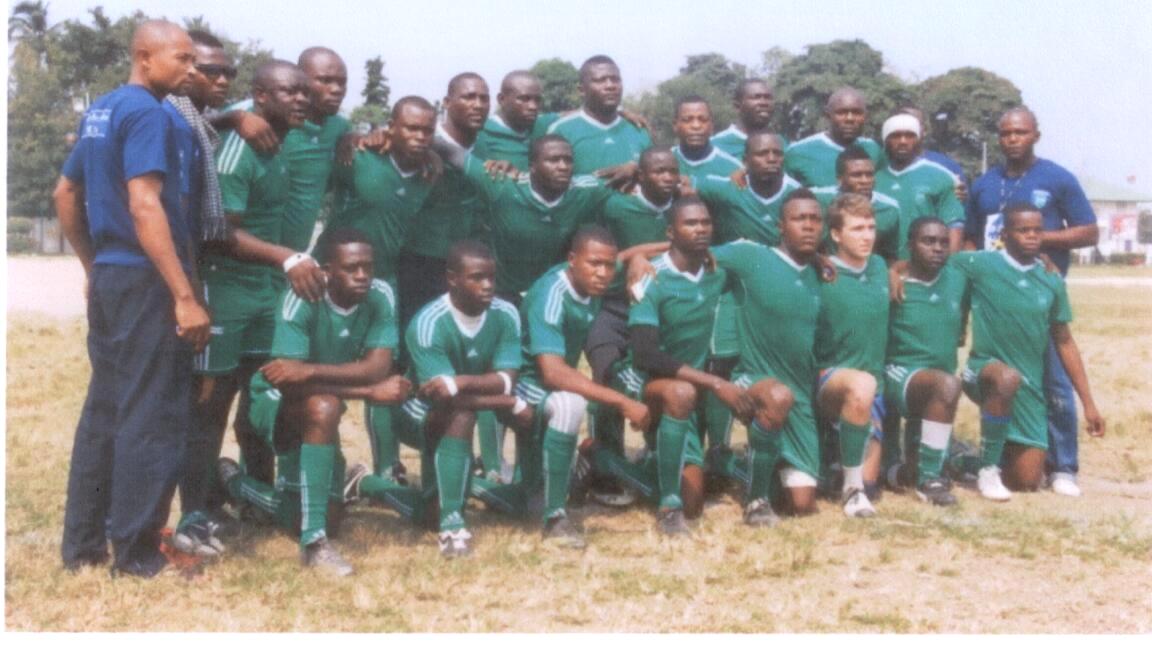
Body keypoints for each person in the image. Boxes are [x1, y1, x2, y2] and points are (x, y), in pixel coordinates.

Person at [55, 20, 209, 577]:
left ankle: (83, 545)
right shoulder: (149, 113)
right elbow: (146, 204)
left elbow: (64, 192)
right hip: (147, 278)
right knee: (151, 414)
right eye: (182, 58)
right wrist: (184, 295)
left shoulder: (101, 110)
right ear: (145, 57)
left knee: (105, 409)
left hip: (113, 275)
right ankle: (138, 553)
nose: (192, 69)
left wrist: (93, 265)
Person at [219, 229, 410, 575]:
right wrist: (368, 392)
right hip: (275, 402)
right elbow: (290, 384)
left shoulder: (380, 294)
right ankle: (312, 542)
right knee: (323, 407)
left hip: (324, 400)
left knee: (330, 517)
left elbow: (377, 368)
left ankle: (349, 485)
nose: (363, 275)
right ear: (327, 271)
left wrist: (309, 371)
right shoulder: (301, 296)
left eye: (368, 267)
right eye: (351, 268)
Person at [193, 61, 323, 513]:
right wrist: (286, 257)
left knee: (263, 394)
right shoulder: (239, 147)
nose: (301, 99)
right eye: (289, 92)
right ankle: (200, 509)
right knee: (211, 405)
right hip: (226, 290)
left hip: (264, 289)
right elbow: (219, 233)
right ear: (260, 96)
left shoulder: (282, 140)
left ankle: (254, 494)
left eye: (304, 91)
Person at [963, 107, 1100, 496]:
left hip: (1040, 294)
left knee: (1054, 379)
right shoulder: (985, 184)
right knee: (1003, 380)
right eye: (1005, 133)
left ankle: (1064, 466)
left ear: (1035, 135)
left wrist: (1041, 241)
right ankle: (997, 456)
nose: (1012, 139)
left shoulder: (1057, 178)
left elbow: (1089, 231)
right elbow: (971, 235)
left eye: (1020, 132)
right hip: (997, 296)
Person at [610, 199, 756, 533]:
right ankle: (649, 491)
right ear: (670, 232)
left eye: (705, 222)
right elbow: (645, 355)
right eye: (690, 223)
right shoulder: (649, 277)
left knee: (698, 495)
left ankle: (669, 460)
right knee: (691, 506)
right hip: (646, 379)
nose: (700, 229)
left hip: (692, 382)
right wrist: (715, 383)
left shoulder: (718, 271)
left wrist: (819, 258)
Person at [691, 189, 827, 523]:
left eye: (815, 219)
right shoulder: (751, 256)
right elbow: (690, 252)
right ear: (781, 226)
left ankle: (729, 463)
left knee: (802, 505)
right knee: (777, 397)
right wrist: (638, 258)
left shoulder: (820, 272)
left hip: (799, 394)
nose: (808, 226)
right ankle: (756, 501)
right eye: (799, 219)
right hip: (749, 376)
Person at [953, 204, 1104, 498]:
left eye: (1037, 230)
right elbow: (933, 261)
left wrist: (1089, 404)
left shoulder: (1050, 278)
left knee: (1026, 481)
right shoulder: (980, 264)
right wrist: (896, 269)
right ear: (1004, 234)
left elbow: (1064, 341)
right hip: (983, 371)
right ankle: (987, 471)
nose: (1033, 236)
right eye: (1023, 230)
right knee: (1006, 378)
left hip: (1029, 387)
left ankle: (963, 460)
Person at [512, 227, 651, 544]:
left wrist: (641, 256)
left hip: (551, 386)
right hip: (523, 385)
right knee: (570, 403)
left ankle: (579, 470)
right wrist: (622, 402)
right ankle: (554, 518)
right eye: (594, 264)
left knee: (533, 492)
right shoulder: (552, 294)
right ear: (572, 259)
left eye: (609, 265)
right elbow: (552, 373)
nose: (603, 273)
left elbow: (628, 254)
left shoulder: (594, 277)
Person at [400, 241, 531, 558]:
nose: (487, 286)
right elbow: (444, 399)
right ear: (452, 279)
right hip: (417, 410)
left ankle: (525, 489)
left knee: (516, 504)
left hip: (466, 402)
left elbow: (506, 380)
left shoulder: (506, 313)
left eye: (491, 277)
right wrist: (505, 402)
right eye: (476, 277)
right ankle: (452, 528)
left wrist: (460, 383)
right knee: (460, 417)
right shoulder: (428, 322)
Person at [163, 29, 238, 556]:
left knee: (206, 404)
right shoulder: (170, 118)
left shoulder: (198, 122)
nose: (221, 79)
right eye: (210, 70)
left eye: (228, 72)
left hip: (197, 276)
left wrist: (233, 117)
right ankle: (183, 518)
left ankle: (202, 504)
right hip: (181, 281)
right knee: (194, 403)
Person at [813, 194, 890, 517]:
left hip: (873, 390)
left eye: (871, 227)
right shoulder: (820, 271)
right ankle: (851, 490)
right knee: (861, 384)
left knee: (873, 481)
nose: (867, 235)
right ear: (835, 234)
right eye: (857, 228)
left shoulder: (880, 266)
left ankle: (842, 468)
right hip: (829, 380)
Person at [882, 217, 967, 506]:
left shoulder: (957, 275)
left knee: (912, 466)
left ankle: (905, 471)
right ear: (910, 245)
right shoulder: (893, 282)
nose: (938, 248)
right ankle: (930, 481)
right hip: (898, 373)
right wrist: (893, 269)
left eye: (944, 242)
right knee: (947, 384)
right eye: (928, 241)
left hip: (935, 383)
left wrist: (1044, 258)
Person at [546, 55, 653, 180]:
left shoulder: (639, 130)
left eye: (616, 80)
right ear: (581, 90)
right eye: (600, 80)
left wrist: (636, 168)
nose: (610, 86)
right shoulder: (561, 131)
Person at [873, 114, 965, 259]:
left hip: (927, 266)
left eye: (910, 136)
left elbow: (954, 225)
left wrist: (950, 266)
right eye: (896, 136)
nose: (903, 141)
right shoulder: (873, 179)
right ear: (886, 140)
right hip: (883, 265)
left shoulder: (941, 176)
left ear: (919, 139)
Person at [810, 145, 902, 261]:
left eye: (869, 175)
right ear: (840, 179)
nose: (865, 181)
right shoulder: (820, 200)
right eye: (857, 175)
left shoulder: (889, 209)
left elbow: (890, 255)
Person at [784, 87, 882, 188]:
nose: (850, 118)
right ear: (827, 115)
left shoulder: (873, 149)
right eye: (841, 112)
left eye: (856, 113)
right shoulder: (798, 152)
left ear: (865, 116)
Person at [671, 95, 742, 187]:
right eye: (687, 120)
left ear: (711, 126)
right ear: (675, 125)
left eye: (703, 120)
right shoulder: (663, 162)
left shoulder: (733, 168)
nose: (696, 126)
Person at [711, 78, 785, 159]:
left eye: (768, 97)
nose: (764, 103)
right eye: (756, 97)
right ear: (737, 106)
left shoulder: (782, 143)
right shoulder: (716, 145)